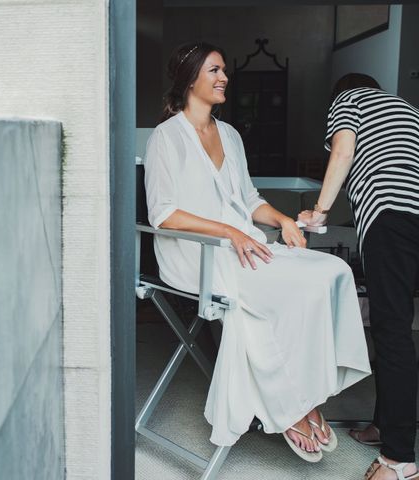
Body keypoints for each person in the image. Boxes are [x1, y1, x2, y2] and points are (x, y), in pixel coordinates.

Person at [144, 41, 371, 462]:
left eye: (224, 70)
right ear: (189, 77)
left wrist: (283, 220)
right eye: (213, 70)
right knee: (283, 290)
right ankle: (290, 405)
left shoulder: (228, 133)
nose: (223, 77)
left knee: (330, 271)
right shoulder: (166, 136)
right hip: (195, 253)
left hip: (243, 241)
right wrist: (229, 232)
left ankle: (305, 392)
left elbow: (248, 199)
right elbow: (164, 214)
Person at [298, 73, 419, 480]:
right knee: (398, 327)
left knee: (392, 331)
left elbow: (343, 152)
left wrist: (320, 210)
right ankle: (384, 428)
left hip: (391, 220)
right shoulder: (406, 110)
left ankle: (399, 460)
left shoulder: (348, 99)